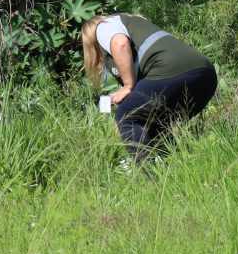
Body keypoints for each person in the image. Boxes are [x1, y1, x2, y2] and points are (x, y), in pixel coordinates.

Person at [81, 13, 217, 164]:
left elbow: (120, 44)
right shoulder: (134, 25)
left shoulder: (103, 26)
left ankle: (149, 177)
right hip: (206, 76)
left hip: (170, 69)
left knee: (127, 116)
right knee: (155, 126)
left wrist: (128, 86)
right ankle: (175, 167)